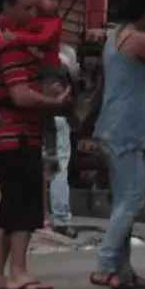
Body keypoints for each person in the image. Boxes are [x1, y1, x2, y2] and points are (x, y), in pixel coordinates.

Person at [0, 0, 70, 289]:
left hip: (10, 134)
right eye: (27, 7)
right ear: (6, 8)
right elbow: (20, 95)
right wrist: (53, 102)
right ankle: (17, 271)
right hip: (16, 133)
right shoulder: (10, 45)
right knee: (22, 207)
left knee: (10, 206)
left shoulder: (6, 38)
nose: (33, 13)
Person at [90, 0, 145, 289]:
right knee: (133, 200)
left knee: (123, 202)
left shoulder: (116, 35)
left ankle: (123, 272)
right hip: (129, 131)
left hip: (114, 128)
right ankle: (105, 265)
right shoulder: (138, 40)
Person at [49, 44, 80, 238]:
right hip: (58, 118)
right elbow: (72, 88)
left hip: (35, 119)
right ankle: (60, 218)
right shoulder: (65, 57)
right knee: (59, 168)